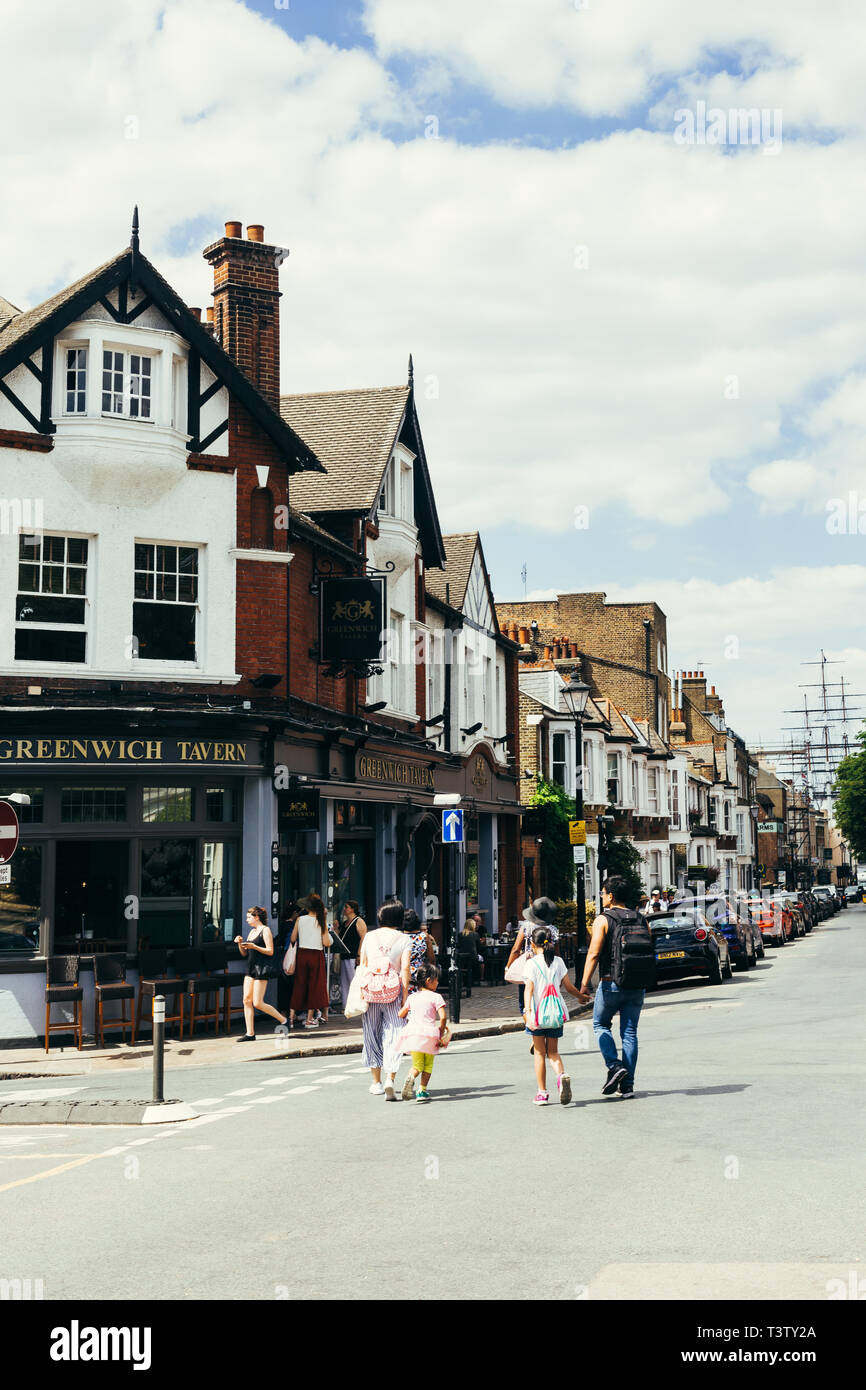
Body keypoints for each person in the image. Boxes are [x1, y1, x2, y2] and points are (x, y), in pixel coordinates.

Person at [578, 875, 647, 1099]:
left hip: (611, 983)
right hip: (637, 983)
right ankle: (627, 1086)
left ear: (611, 896)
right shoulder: (641, 918)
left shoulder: (603, 919)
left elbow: (594, 953)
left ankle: (615, 1065)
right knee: (629, 1033)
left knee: (600, 1025)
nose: (602, 896)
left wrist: (584, 983)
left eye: (603, 893)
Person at [523, 926, 583, 1104]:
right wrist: (581, 997)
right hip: (556, 1015)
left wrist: (528, 1011)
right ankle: (561, 1075)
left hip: (538, 1016)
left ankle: (542, 1093)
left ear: (532, 944)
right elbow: (569, 987)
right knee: (553, 1052)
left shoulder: (531, 964)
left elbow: (529, 990)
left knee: (539, 1053)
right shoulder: (558, 962)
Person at [358, 899, 412, 1100]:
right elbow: (405, 968)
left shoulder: (369, 937)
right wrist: (405, 997)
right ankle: (390, 1078)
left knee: (371, 1034)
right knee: (394, 1035)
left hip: (371, 991)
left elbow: (363, 964)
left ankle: (376, 1082)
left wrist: (361, 991)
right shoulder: (404, 939)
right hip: (393, 991)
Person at [398, 963, 450, 1102]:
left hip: (413, 1034)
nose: (438, 982)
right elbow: (443, 1017)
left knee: (417, 1065)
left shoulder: (412, 997)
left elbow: (400, 1014)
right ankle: (422, 1091)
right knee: (428, 1065)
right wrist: (441, 1031)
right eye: (436, 980)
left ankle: (411, 1077)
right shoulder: (436, 997)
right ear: (428, 981)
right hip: (430, 1035)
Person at [234, 907, 288, 1041]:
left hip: (261, 968)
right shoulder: (252, 932)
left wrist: (255, 947)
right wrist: (240, 943)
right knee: (246, 1000)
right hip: (250, 968)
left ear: (256, 917)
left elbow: (270, 951)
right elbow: (244, 953)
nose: (247, 920)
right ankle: (250, 1033)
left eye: (249, 917)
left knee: (257, 1002)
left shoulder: (265, 930)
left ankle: (283, 1020)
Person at [504, 897, 560, 1015]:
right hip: (547, 967)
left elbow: (515, 949)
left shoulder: (526, 927)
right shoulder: (553, 930)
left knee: (525, 1001)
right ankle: (542, 1018)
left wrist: (508, 966)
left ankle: (529, 1020)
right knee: (544, 996)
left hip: (528, 966)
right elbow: (556, 953)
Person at [287, 893, 331, 1029]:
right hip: (316, 955)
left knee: (299, 985)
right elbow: (326, 942)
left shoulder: (300, 919)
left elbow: (293, 938)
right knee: (314, 986)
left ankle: (291, 1018)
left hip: (302, 954)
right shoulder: (321, 921)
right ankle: (309, 1019)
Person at [339, 900, 367, 1013]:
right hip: (344, 955)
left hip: (353, 955)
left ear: (352, 909)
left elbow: (363, 938)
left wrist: (359, 954)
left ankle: (357, 1004)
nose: (344, 909)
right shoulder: (344, 923)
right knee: (344, 982)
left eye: (346, 907)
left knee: (354, 981)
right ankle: (346, 1005)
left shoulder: (358, 921)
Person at [403, 908, 435, 986]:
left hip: (404, 976)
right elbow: (432, 959)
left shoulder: (400, 937)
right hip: (420, 977)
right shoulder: (424, 937)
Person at [459, 917, 483, 984]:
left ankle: (464, 980)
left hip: (462, 957)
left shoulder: (460, 934)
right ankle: (481, 978)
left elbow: (459, 945)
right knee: (482, 959)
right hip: (473, 957)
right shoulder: (476, 934)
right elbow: (479, 947)